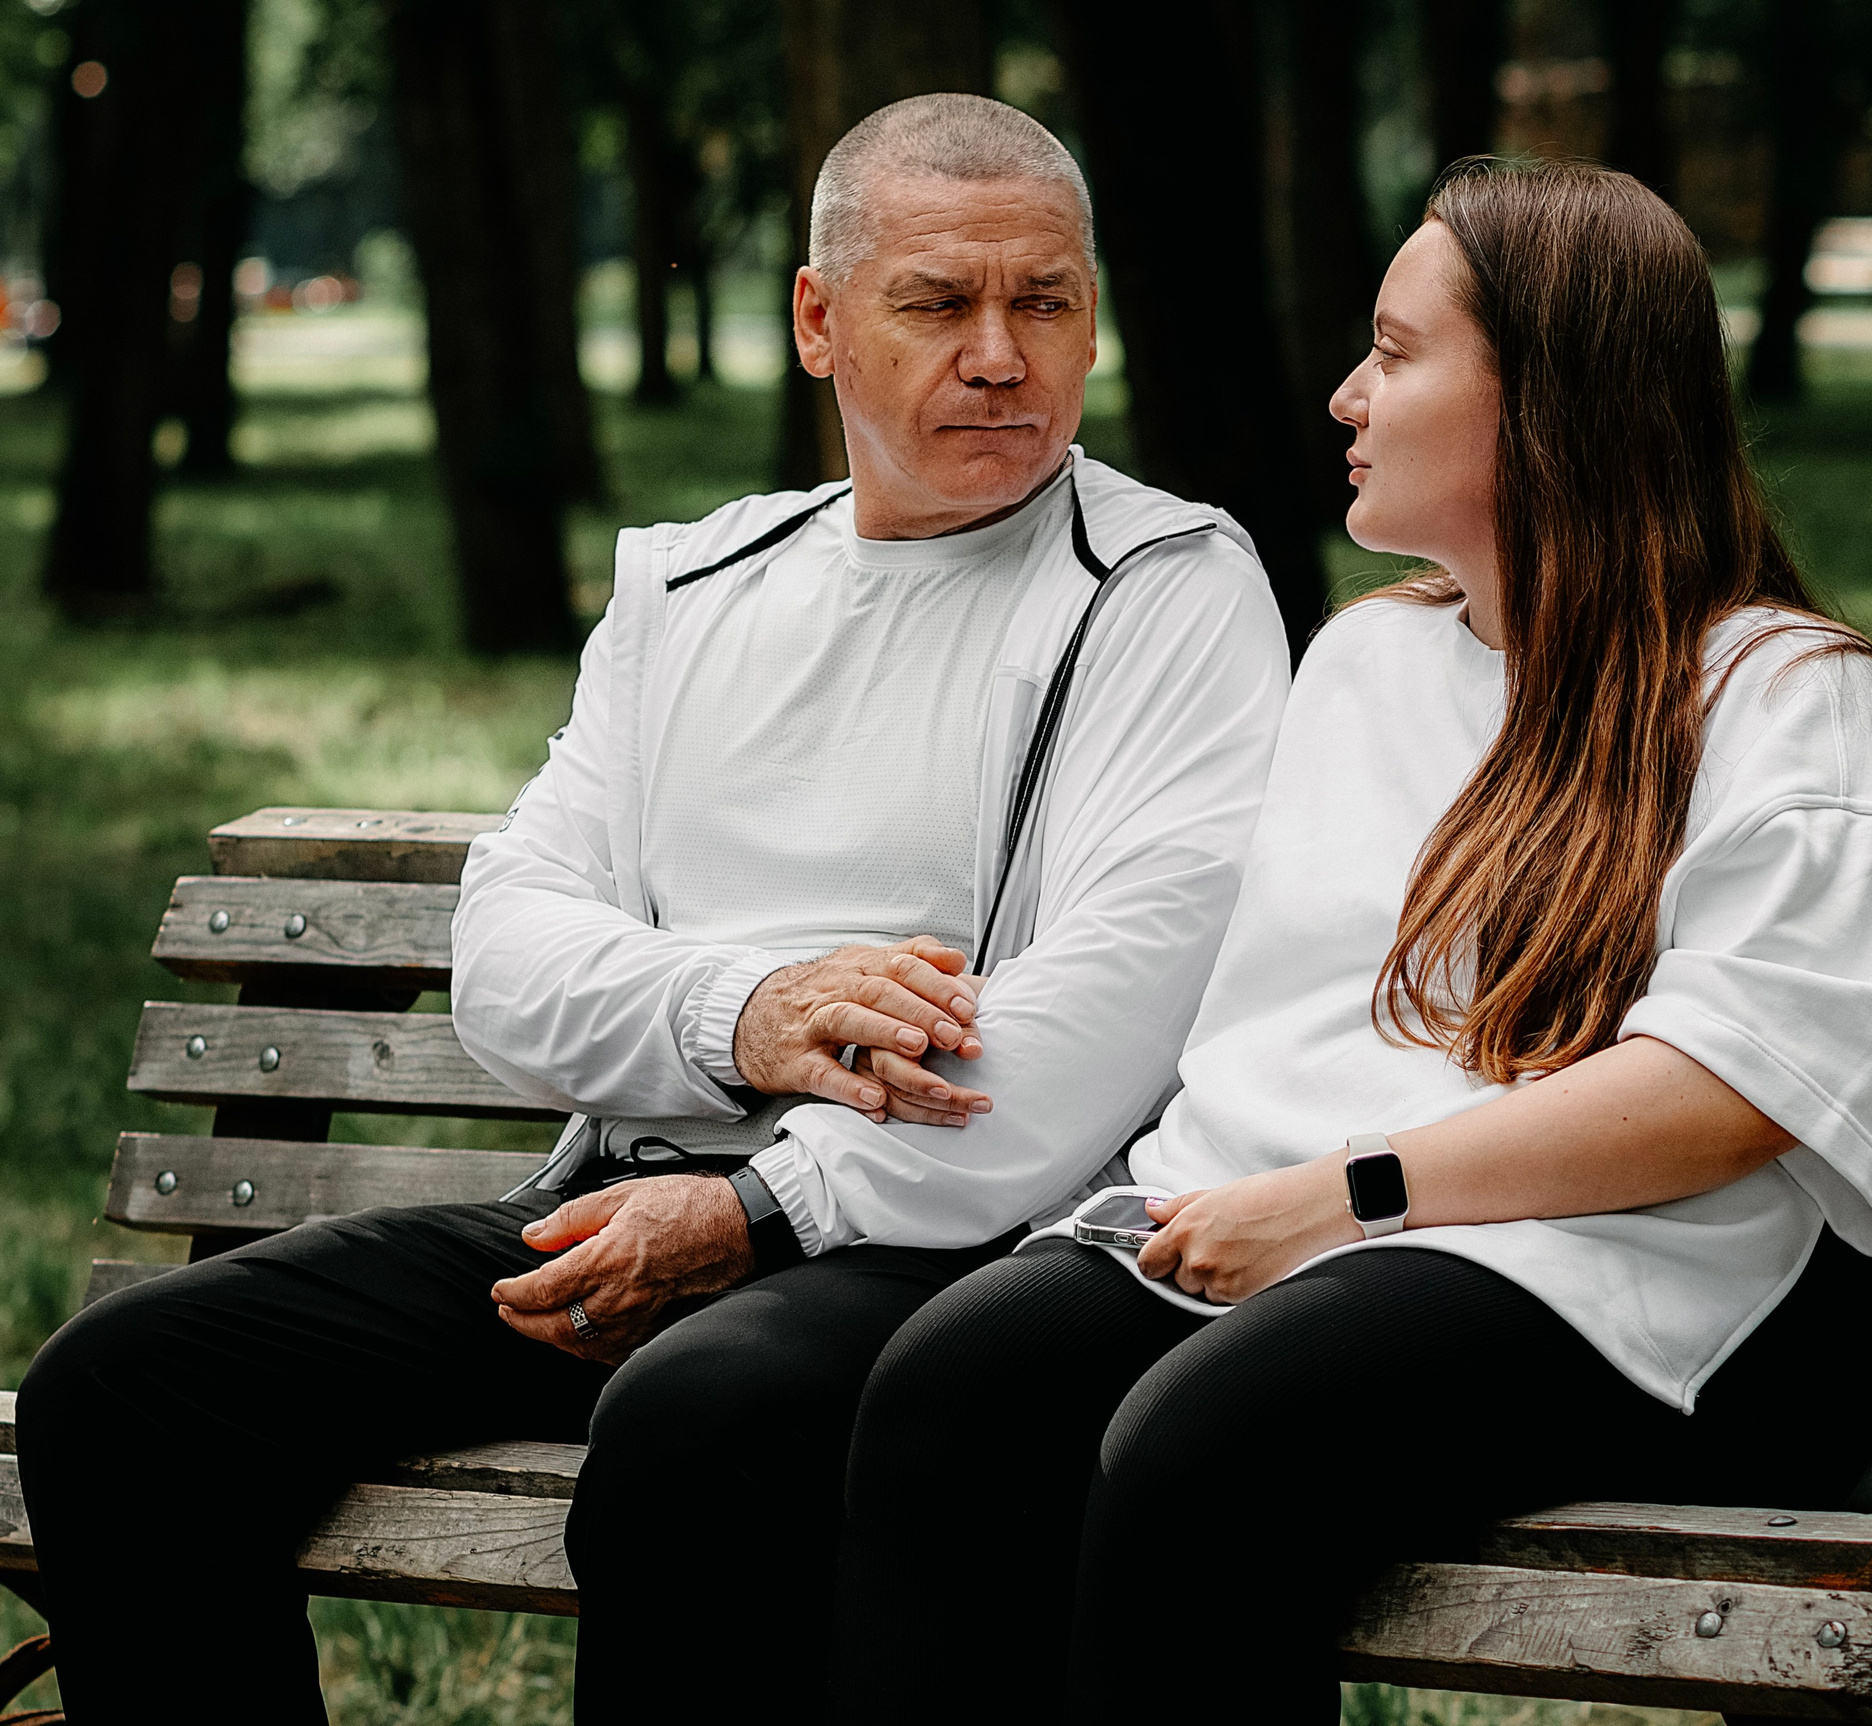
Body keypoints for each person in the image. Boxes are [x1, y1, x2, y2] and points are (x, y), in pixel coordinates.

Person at [16, 94, 1288, 1723]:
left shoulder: (1163, 587)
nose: (999, 353)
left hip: (939, 1250)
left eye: (1043, 302)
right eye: (938, 303)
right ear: (821, 321)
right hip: (623, 1205)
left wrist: (757, 1213)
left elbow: (1106, 1015)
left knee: (701, 1415)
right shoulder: (693, 585)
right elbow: (511, 948)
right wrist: (744, 1012)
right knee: (127, 1390)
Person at [833, 157, 1872, 1725]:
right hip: (1324, 1240)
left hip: (1662, 1277)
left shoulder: (1784, 694)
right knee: (954, 1389)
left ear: (1550, 398)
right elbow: (1281, 1031)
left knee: (1211, 1439)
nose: (1345, 395)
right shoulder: (1365, 664)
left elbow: (1735, 1089)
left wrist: (1346, 1198)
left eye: (1395, 354)